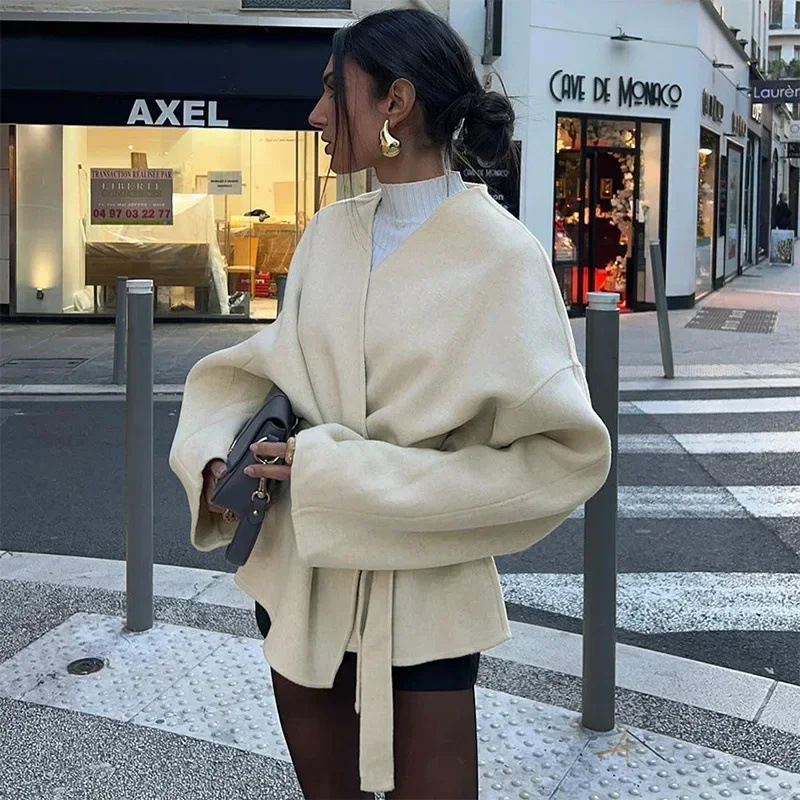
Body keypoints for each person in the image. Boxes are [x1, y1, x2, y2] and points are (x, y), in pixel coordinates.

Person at [169, 9, 611, 799]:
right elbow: (260, 369)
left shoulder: (502, 257)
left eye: (332, 90)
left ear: (395, 103)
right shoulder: (327, 234)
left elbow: (561, 458)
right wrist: (213, 455)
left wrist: (346, 477)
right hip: (302, 576)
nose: (316, 114)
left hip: (425, 585)